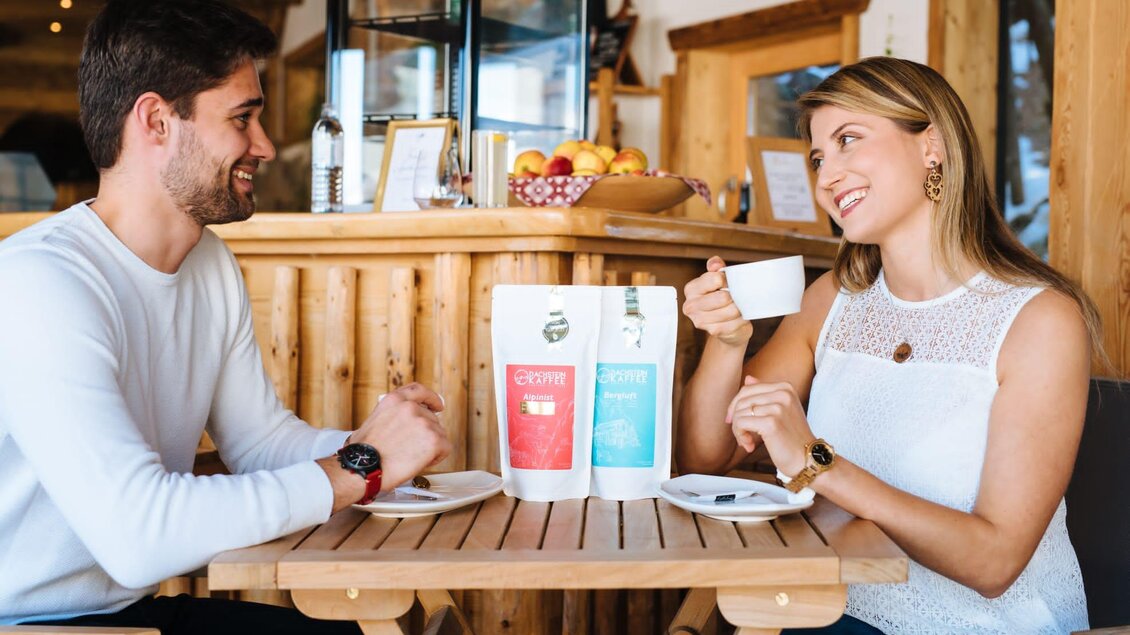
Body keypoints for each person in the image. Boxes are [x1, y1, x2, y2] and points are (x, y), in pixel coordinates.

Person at [0, 1, 451, 632]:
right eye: (243, 118)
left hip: (124, 614)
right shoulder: (39, 283)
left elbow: (259, 443)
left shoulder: (207, 262)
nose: (263, 146)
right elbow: (138, 535)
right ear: (156, 120)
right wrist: (362, 469)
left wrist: (370, 445)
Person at [678, 57, 1097, 634]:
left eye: (849, 140)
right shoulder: (834, 298)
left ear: (933, 147)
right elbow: (706, 458)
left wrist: (817, 464)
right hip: (830, 609)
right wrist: (727, 343)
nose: (826, 176)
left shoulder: (1039, 321)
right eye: (819, 157)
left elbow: (995, 562)